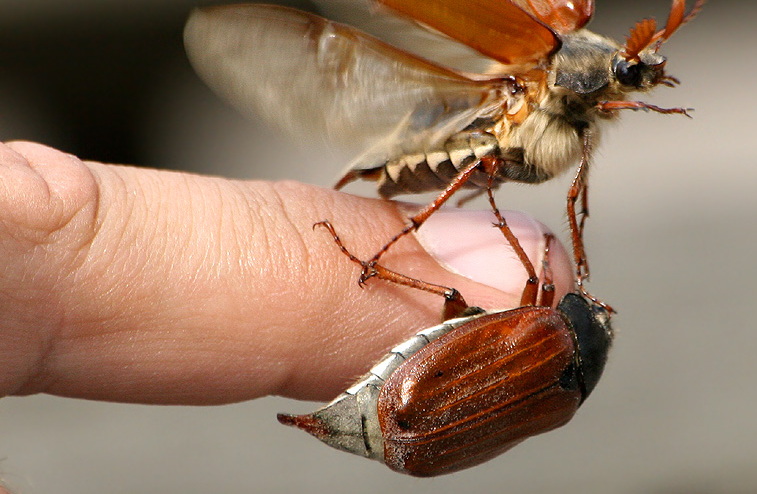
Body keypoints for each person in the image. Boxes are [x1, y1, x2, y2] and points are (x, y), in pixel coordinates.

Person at [0, 140, 572, 405]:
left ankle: (374, 265)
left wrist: (512, 236)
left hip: (414, 401)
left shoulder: (546, 329)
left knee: (451, 289)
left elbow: (520, 286)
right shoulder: (555, 380)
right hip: (417, 416)